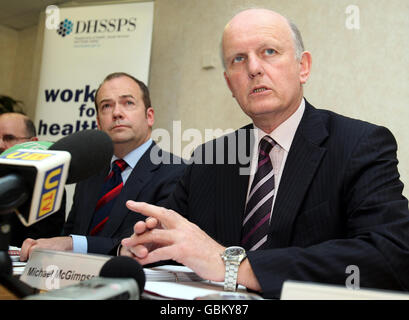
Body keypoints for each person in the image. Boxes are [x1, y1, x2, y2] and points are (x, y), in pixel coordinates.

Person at [119, 9, 409, 298]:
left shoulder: (360, 144)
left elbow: (389, 255)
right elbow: (176, 248)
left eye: (269, 51)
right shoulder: (210, 158)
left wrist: (236, 267)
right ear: (230, 83)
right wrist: (149, 244)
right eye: (239, 59)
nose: (253, 68)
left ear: (303, 66)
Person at [20, 73, 186, 259]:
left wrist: (71, 244)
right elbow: (71, 231)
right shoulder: (90, 171)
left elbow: (153, 244)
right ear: (98, 123)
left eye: (128, 103)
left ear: (149, 116)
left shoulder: (177, 172)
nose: (116, 113)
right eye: (106, 106)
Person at [0, 112, 66, 246]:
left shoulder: (48, 185)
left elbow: (38, 243)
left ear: (32, 143)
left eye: (9, 138)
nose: (0, 145)